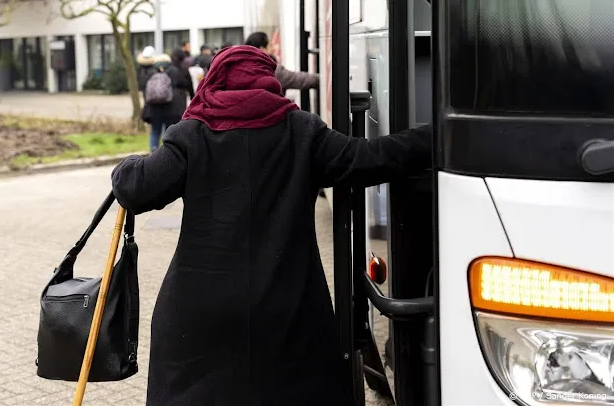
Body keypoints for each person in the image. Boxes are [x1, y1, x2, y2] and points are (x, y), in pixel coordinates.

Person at [111, 45, 432, 406]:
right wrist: (437, 136)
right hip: (288, 309)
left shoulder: (192, 133)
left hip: (200, 314)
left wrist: (125, 166)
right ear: (270, 80)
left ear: (216, 79)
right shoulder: (302, 130)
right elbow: (371, 157)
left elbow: (136, 189)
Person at [244, 31, 319, 94]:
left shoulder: (245, 68)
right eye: (270, 45)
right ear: (262, 49)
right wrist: (325, 77)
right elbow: (302, 80)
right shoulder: (270, 70)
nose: (274, 48)